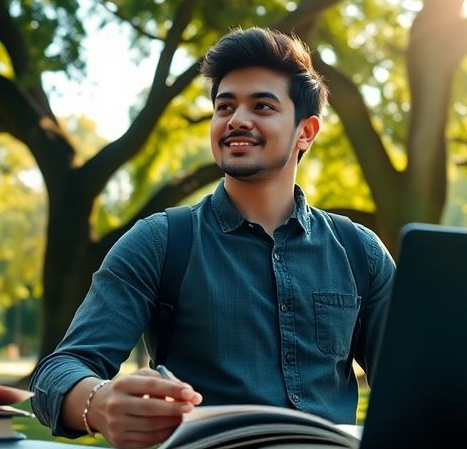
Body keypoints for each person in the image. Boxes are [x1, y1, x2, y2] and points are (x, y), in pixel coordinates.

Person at [29, 27, 395, 448]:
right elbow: (58, 371)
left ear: (306, 132)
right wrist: (98, 401)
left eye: (262, 106)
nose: (237, 119)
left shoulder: (360, 252)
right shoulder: (159, 242)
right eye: (225, 107)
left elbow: (414, 386)